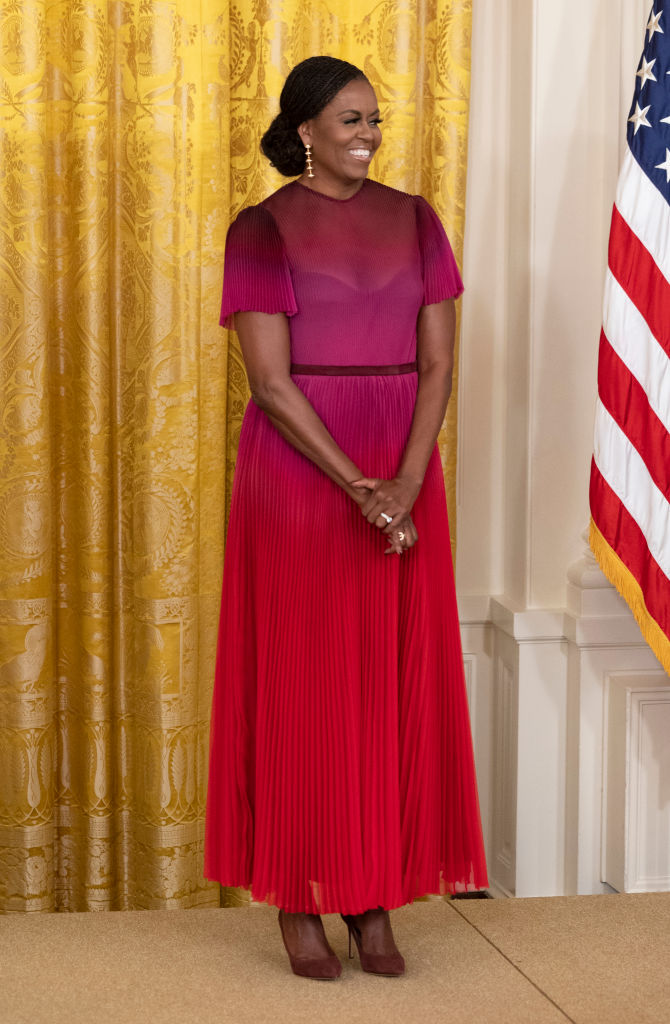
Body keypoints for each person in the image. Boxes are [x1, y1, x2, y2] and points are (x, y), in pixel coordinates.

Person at [204, 55, 488, 980]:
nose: (368, 133)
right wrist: (362, 490)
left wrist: (405, 481)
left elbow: (438, 364)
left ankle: (372, 897)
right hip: (302, 473)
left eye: (375, 118)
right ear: (305, 130)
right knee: (306, 680)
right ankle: (299, 894)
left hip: (404, 463)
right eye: (350, 120)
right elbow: (272, 384)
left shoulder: (416, 219)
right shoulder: (261, 228)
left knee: (384, 680)